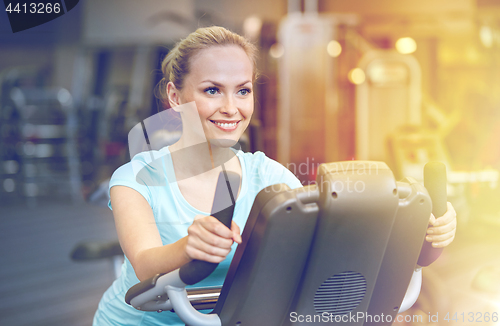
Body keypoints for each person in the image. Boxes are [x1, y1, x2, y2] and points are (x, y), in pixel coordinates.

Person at [92, 26, 457, 326]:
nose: (231, 108)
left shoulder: (269, 176)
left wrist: (420, 232)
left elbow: (328, 246)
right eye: (212, 90)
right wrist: (187, 248)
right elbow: (144, 265)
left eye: (243, 91)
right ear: (175, 96)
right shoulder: (136, 176)